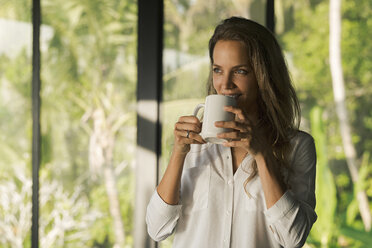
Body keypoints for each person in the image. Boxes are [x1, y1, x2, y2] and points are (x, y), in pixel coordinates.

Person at [146, 16, 317, 248]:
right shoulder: (194, 146)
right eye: (218, 70)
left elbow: (293, 238)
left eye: (240, 71)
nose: (225, 84)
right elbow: (157, 228)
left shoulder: (297, 146)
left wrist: (262, 154)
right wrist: (178, 154)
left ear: (263, 76)